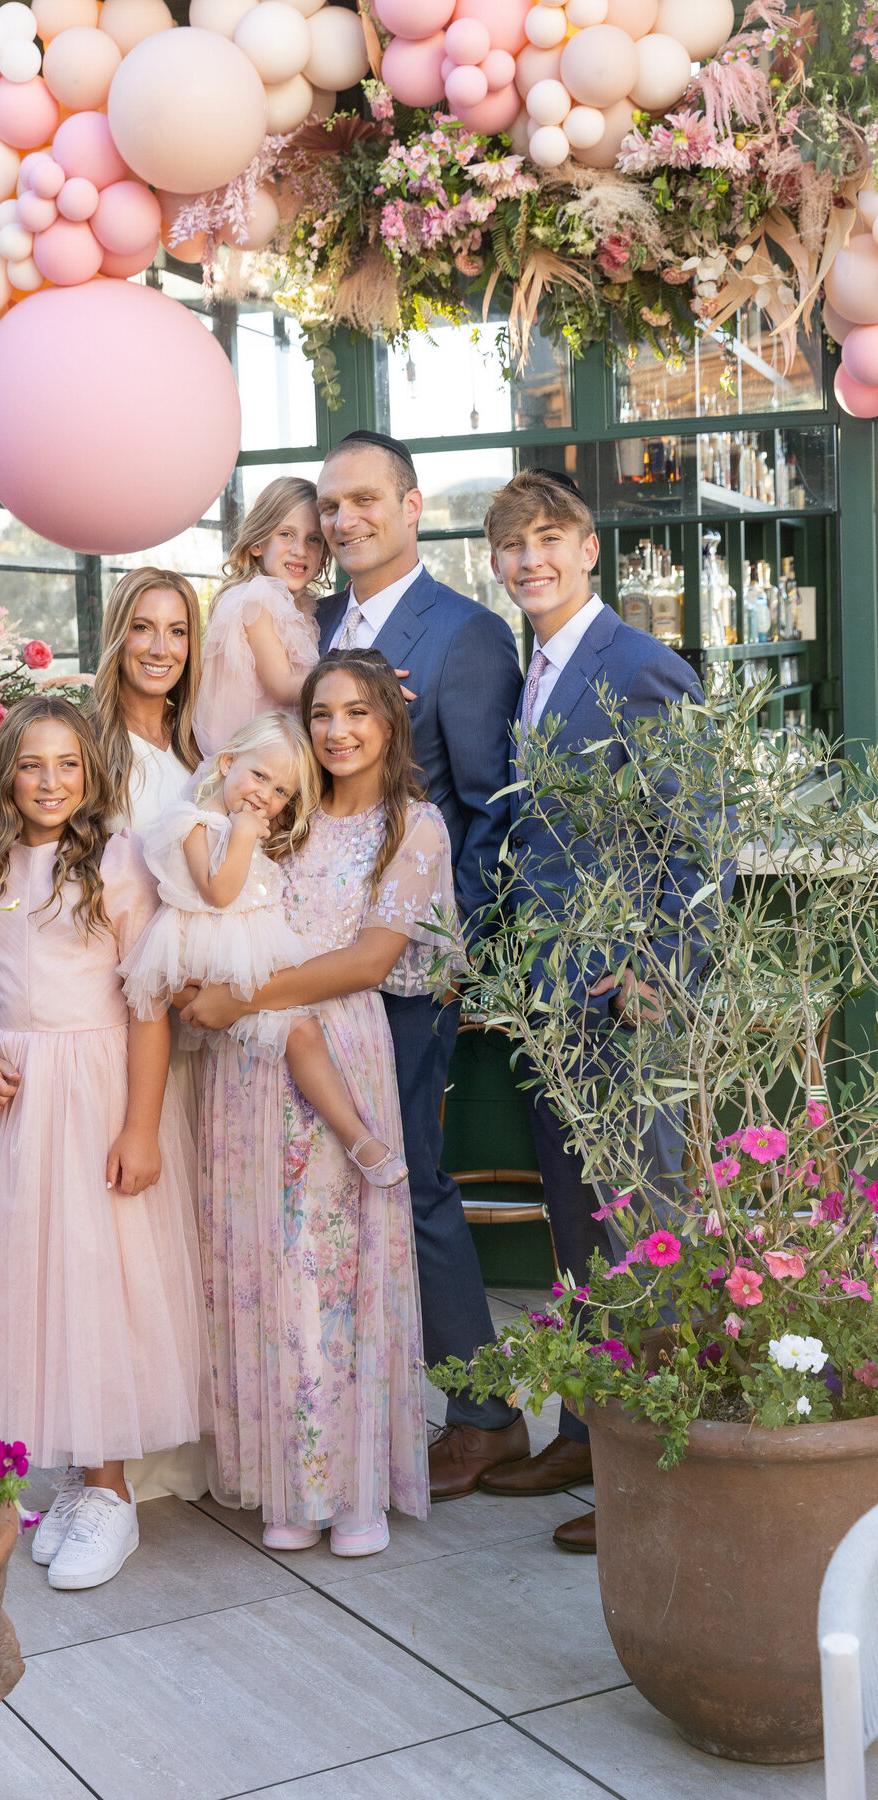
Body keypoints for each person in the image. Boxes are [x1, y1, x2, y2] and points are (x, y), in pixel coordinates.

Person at [0, 694, 207, 1591]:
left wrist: (141, 1126)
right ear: (7, 773)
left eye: (68, 765)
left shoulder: (116, 865)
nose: (50, 782)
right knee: (21, 1276)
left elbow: (147, 1004)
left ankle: (110, 1491)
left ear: (91, 775)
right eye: (33, 765)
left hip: (93, 1094)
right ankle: (70, 1480)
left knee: (91, 1276)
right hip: (9, 1106)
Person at [476, 467, 714, 1555]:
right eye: (510, 547)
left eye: (546, 540)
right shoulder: (534, 674)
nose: (527, 561)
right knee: (579, 1229)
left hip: (624, 1000)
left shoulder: (640, 667)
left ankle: (648, 1477)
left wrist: (661, 968)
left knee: (636, 1229)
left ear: (587, 552)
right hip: (550, 1001)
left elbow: (692, 841)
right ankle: (581, 1430)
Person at [182, 651, 451, 1555]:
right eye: (323, 713)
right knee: (265, 1265)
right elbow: (205, 896)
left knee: (338, 1268)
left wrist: (243, 996)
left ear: (389, 723)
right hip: (252, 1067)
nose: (338, 731)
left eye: (358, 713)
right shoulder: (279, 811)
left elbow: (371, 960)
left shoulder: (412, 826)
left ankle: (357, 1487)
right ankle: (288, 1484)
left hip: (340, 1043)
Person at [315, 429, 531, 1501]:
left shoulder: (469, 636)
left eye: (363, 500)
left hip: (404, 972)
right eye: (329, 505)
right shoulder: (313, 627)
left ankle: (483, 1413)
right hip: (308, 964)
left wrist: (453, 956)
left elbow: (489, 811)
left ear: (408, 508)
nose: (343, 519)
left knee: (413, 1181)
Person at [121, 711, 408, 1185]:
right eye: (259, 776)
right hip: (205, 957)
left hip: (243, 957)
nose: (265, 796)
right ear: (227, 761)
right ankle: (361, 1141)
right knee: (295, 1032)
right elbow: (219, 893)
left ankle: (360, 1142)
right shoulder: (192, 821)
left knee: (304, 1033)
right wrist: (244, 835)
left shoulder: (242, 825)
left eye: (281, 793)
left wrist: (247, 833)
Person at [192, 477, 327, 758]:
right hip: (253, 759)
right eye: (286, 534)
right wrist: (351, 677)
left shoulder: (301, 606)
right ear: (257, 543)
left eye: (313, 539)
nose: (300, 549)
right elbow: (281, 686)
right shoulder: (258, 598)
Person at [92, 565, 203, 833]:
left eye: (177, 631)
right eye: (142, 627)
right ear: (117, 635)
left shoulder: (202, 738)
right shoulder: (86, 743)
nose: (160, 650)